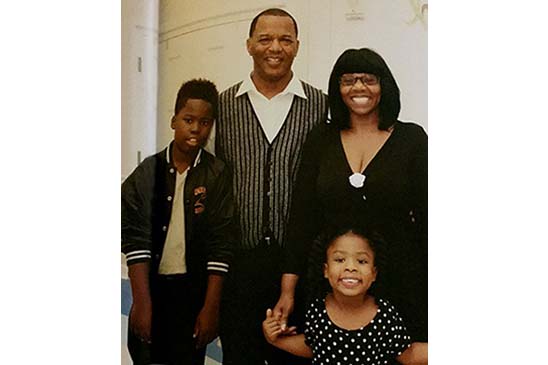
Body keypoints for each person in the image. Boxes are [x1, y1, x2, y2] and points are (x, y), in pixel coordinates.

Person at [275, 48, 428, 362]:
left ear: (384, 85)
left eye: (368, 79)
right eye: (348, 80)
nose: (359, 87)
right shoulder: (320, 139)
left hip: (401, 278)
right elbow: (301, 217)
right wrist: (288, 291)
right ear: (337, 88)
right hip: (335, 278)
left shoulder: (412, 140)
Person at [215, 7, 328, 365]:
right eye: (265, 39)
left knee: (295, 358)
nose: (274, 47)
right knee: (239, 355)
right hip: (238, 266)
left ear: (297, 46)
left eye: (285, 39)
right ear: (249, 45)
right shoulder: (222, 106)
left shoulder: (321, 106)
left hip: (300, 264)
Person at [121, 79, 236, 365]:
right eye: (188, 119)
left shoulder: (217, 174)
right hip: (152, 290)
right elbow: (134, 238)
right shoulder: (149, 171)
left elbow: (220, 244)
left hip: (192, 294)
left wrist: (211, 307)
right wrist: (142, 303)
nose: (196, 129)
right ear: (174, 120)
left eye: (205, 122)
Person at [264, 227, 427, 365]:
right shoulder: (318, 309)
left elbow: (409, 354)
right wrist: (276, 340)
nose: (351, 267)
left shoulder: (384, 315)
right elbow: (314, 347)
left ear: (374, 274)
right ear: (325, 270)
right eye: (340, 259)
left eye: (362, 261)